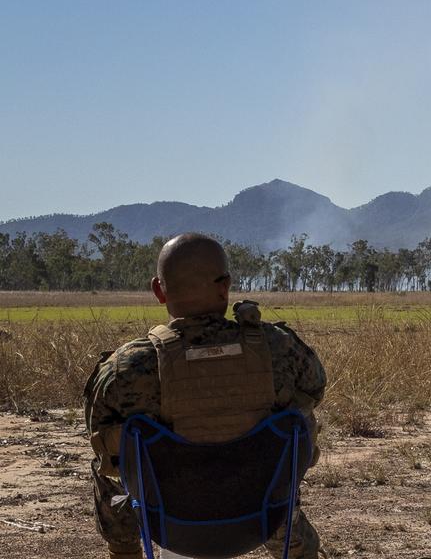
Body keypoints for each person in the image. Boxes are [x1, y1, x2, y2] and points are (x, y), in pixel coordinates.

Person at [84, 233, 327, 559]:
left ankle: (124, 551)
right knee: (295, 421)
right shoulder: (279, 348)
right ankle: (296, 547)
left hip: (169, 525)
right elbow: (315, 387)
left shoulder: (126, 368)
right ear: (225, 286)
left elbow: (98, 430)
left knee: (110, 452)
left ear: (158, 290)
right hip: (261, 518)